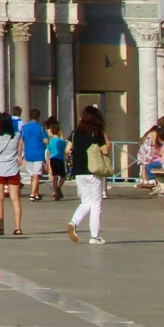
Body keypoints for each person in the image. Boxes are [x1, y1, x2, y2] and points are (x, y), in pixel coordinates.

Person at [65, 104, 110, 244]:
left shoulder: (75, 132)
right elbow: (105, 151)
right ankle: (94, 236)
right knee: (96, 204)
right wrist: (106, 138)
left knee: (86, 202)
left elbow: (67, 150)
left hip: (79, 171)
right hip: (93, 170)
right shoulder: (96, 132)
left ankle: (73, 222)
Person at [0, 110, 26, 235]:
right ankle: (18, 227)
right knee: (15, 199)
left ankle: (1, 227)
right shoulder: (16, 136)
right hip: (12, 169)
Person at [18, 109, 49, 202]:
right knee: (36, 174)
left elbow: (21, 142)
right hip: (38, 153)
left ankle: (36, 193)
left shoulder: (24, 128)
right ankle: (32, 193)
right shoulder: (40, 128)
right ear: (39, 117)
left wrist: (20, 155)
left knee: (32, 174)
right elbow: (46, 141)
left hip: (28, 153)